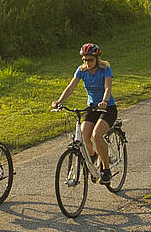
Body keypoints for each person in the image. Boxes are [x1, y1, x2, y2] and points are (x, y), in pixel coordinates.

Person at [50, 42, 117, 185]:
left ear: (97, 59)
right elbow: (71, 87)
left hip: (107, 108)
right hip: (92, 107)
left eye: (90, 60)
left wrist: (104, 101)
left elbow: (107, 88)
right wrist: (59, 101)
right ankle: (93, 157)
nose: (87, 63)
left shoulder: (105, 69)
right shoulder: (81, 70)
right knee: (84, 135)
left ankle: (106, 169)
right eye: (85, 60)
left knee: (96, 135)